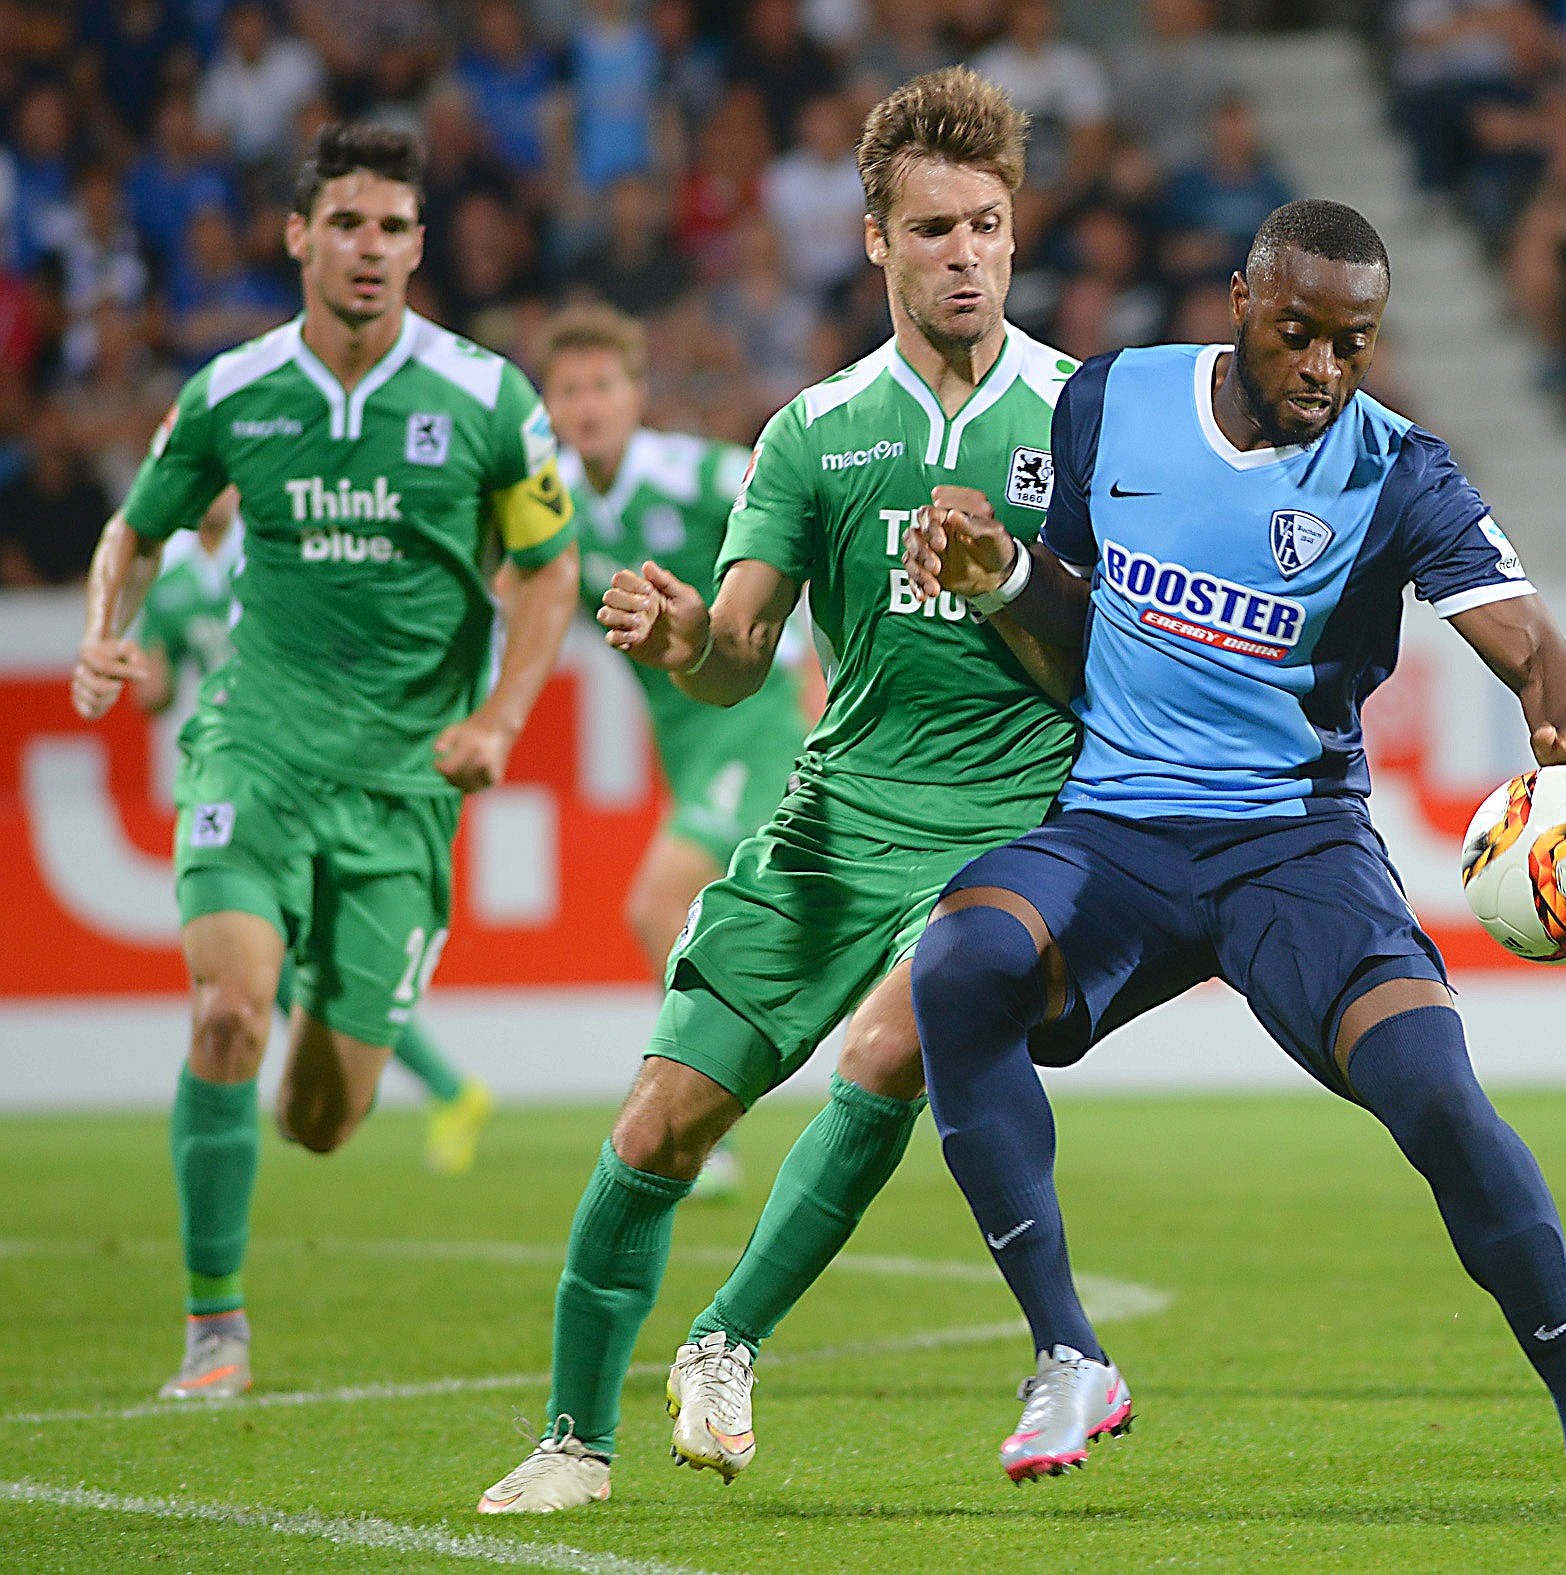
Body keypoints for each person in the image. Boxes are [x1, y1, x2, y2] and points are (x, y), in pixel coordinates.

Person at [900, 197, 1566, 1509]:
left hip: (1295, 847)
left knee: (1434, 1091)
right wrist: (998, 579)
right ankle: (1066, 1350)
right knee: (959, 964)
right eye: (1298, 333)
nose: (1322, 367)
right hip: (1121, 827)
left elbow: (1538, 644)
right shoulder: (1109, 404)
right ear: (1239, 304)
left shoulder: (1398, 470)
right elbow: (1072, 653)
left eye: (1352, 343)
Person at [476, 67, 1081, 1516]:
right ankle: (570, 1437)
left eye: (988, 225)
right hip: (835, 816)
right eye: (933, 228)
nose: (966, 255)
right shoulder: (814, 433)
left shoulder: (1088, 415)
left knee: (895, 1046)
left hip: (1012, 826)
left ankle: (725, 1335)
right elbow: (739, 659)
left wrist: (1007, 580)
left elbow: (1114, 657)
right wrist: (686, 636)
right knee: (658, 1126)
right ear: (873, 238)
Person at [68, 122, 580, 1403]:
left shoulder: (487, 400)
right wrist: (102, 642)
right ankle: (214, 1330)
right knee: (225, 1010)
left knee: (325, 1119)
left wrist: (500, 721)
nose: (370, 248)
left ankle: (320, 988)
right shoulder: (236, 392)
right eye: (345, 222)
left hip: (407, 785)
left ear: (419, 248)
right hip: (260, 746)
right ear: (299, 236)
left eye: (394, 228)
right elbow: (133, 536)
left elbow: (551, 568)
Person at [134, 485, 498, 1174]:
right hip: (247, 777)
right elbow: (155, 688)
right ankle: (451, 1089)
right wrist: (131, 669)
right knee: (273, 967)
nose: (211, 490)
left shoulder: (278, 547)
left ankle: (449, 1089)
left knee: (310, 961)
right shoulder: (172, 574)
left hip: (324, 776)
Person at [541, 302, 808, 1204]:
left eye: (602, 386)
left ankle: (702, 1123)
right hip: (686, 739)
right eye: (569, 390)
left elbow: (799, 514)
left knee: (660, 901)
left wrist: (811, 667)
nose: (587, 406)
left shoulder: (697, 474)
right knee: (751, 914)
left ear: (636, 394)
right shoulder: (559, 516)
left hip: (757, 715)